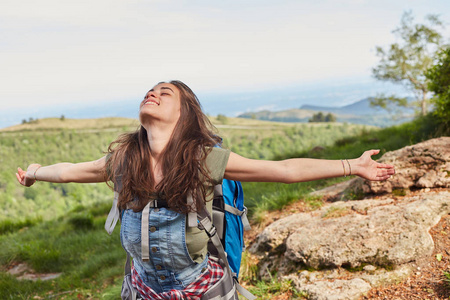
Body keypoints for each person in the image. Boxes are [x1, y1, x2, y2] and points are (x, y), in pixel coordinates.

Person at [16, 80, 395, 299]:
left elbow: (283, 169)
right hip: (141, 289)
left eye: (165, 93)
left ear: (183, 114)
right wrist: (35, 171)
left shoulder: (202, 159)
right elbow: (69, 172)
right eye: (150, 90)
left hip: (201, 290)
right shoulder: (125, 161)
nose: (153, 93)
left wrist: (353, 166)